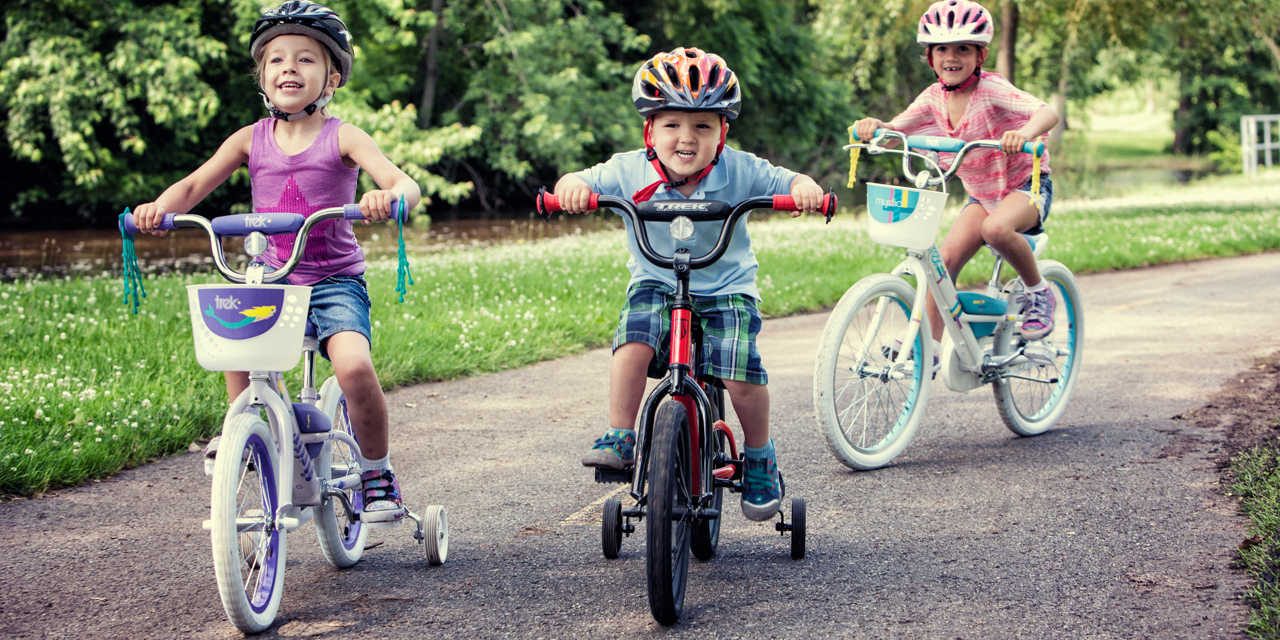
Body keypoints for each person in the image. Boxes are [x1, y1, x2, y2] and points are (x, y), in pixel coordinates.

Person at [133, 1, 421, 524]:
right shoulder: (250, 139)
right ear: (262, 77)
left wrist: (393, 196)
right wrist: (159, 209)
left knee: (354, 367)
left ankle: (377, 470)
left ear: (331, 76)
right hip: (274, 279)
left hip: (334, 280)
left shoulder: (345, 136)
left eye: (306, 59)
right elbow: (197, 184)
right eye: (277, 60)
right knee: (235, 341)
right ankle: (245, 427)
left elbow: (402, 181)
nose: (290, 68)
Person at [553, 47, 825, 521]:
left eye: (702, 125)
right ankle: (621, 434)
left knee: (740, 374)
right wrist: (570, 190)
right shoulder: (628, 170)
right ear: (649, 130)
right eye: (672, 124)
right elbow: (575, 179)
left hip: (726, 287)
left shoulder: (738, 170)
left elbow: (789, 178)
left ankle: (759, 455)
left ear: (723, 132)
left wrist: (804, 189)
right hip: (657, 280)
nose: (686, 137)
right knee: (633, 341)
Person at [853, 0, 1060, 357]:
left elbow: (1047, 113)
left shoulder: (992, 90)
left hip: (1026, 187)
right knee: (943, 259)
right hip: (981, 197)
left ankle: (1039, 291)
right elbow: (894, 128)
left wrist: (1024, 134)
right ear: (930, 57)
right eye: (943, 49)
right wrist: (872, 128)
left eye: (963, 48)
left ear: (980, 56)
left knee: (995, 229)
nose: (953, 57)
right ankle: (929, 346)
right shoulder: (932, 98)